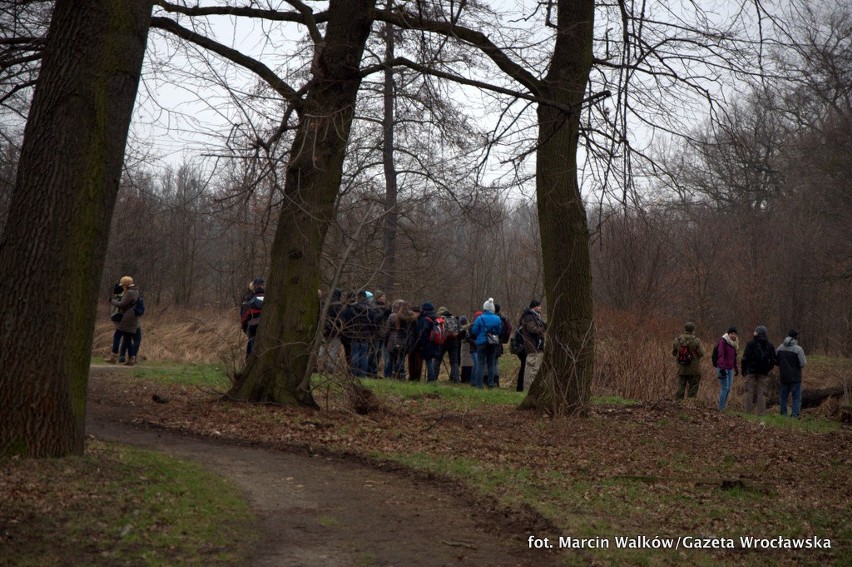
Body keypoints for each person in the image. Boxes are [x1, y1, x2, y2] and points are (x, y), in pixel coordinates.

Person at [740, 325, 777, 415]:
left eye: (755, 331)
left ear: (758, 333)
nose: (754, 332)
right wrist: (768, 369)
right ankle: (762, 413)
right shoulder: (770, 345)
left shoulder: (750, 343)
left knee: (749, 391)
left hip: (751, 371)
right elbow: (773, 360)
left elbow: (745, 358)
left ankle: (748, 412)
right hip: (763, 372)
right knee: (761, 393)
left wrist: (743, 370)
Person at [341, 290, 377, 377]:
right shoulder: (370, 309)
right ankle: (362, 374)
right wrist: (372, 333)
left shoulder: (352, 308)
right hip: (366, 335)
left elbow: (348, 321)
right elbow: (373, 323)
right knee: (364, 355)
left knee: (355, 354)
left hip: (355, 334)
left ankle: (354, 373)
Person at [107, 276, 141, 366]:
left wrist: (112, 301)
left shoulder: (130, 292)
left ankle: (113, 356)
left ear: (125, 284)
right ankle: (131, 358)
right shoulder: (136, 291)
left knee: (117, 335)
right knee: (128, 338)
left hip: (127, 318)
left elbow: (121, 304)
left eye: (123, 285)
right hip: (133, 319)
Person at [470, 298, 502, 388]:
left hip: (481, 342)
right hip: (493, 342)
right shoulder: (497, 319)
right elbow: (499, 331)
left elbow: (474, 331)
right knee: (491, 363)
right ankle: (491, 384)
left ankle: (479, 385)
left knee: (480, 364)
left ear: (484, 308)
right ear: (492, 309)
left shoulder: (480, 318)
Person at [776, 329, 807, 418]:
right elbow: (803, 364)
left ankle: (783, 414)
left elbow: (776, 361)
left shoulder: (780, 347)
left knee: (783, 397)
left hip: (784, 376)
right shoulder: (798, 349)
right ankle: (794, 415)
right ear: (796, 338)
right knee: (796, 397)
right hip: (795, 377)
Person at [385, 299, 418, 380]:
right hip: (408, 340)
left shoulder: (395, 316)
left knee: (396, 358)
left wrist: (386, 340)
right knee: (401, 358)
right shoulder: (412, 317)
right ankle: (401, 374)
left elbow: (389, 329)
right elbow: (415, 329)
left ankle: (395, 374)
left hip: (397, 339)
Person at [518, 300, 547, 391]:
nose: (541, 308)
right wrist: (543, 329)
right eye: (539, 306)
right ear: (534, 307)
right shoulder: (530, 317)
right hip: (532, 347)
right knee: (531, 371)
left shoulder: (535, 317)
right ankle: (528, 390)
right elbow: (533, 329)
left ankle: (529, 390)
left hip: (536, 347)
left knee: (534, 370)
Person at [672, 321, 704, 400]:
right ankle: (690, 405)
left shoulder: (677, 340)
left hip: (682, 368)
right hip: (694, 369)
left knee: (681, 387)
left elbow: (674, 353)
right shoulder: (697, 341)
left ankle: (678, 404)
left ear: (685, 329)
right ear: (693, 330)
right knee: (693, 388)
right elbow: (701, 353)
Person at [318, 288, 345, 373]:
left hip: (325, 330)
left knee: (322, 348)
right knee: (333, 349)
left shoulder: (326, 304)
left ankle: (318, 365)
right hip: (335, 332)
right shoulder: (340, 306)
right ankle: (330, 367)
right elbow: (341, 320)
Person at [714, 327, 739, 410]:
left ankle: (723, 406)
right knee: (725, 388)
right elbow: (720, 354)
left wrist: (736, 368)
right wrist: (721, 367)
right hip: (722, 368)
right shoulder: (723, 341)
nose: (733, 335)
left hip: (730, 368)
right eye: (731, 334)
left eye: (735, 334)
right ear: (728, 334)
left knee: (728, 388)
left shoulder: (734, 344)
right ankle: (721, 408)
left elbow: (734, 357)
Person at [417, 302, 442, 382]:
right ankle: (432, 377)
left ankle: (431, 378)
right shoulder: (436, 317)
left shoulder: (426, 318)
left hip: (428, 343)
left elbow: (424, 332)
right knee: (432, 360)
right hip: (436, 342)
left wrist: (420, 343)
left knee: (428, 361)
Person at [240, 279, 265, 358]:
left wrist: (244, 327)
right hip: (266, 324)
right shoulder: (269, 297)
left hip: (252, 325)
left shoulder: (249, 297)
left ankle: (250, 360)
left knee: (251, 345)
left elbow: (244, 315)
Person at [436, 306, 461, 383]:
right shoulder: (455, 318)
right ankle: (455, 379)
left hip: (443, 341)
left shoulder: (440, 319)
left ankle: (433, 377)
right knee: (454, 362)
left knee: (437, 360)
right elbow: (459, 329)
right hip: (454, 341)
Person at [458, 316, 474, 383]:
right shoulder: (471, 327)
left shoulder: (461, 330)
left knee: (464, 364)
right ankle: (470, 378)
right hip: (471, 348)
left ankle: (464, 379)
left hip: (464, 349)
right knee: (470, 363)